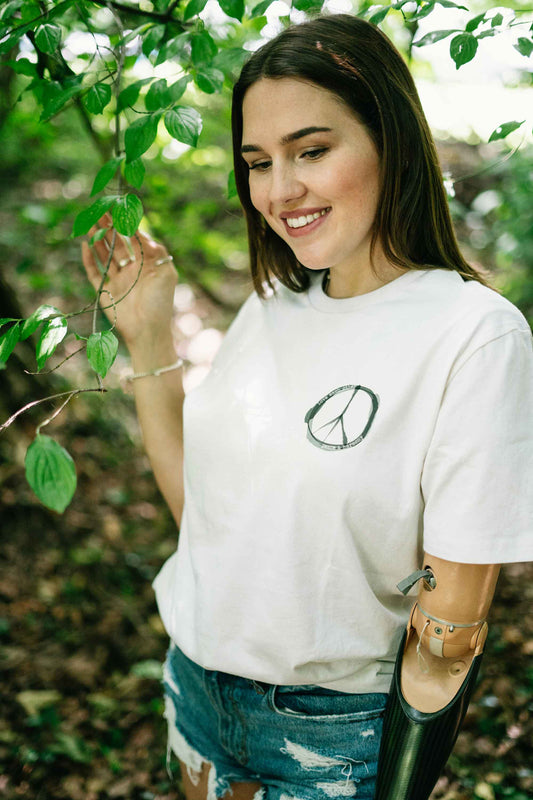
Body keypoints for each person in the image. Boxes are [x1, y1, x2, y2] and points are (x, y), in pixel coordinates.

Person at [82, 14, 533, 800]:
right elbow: (210, 525)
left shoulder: (473, 335)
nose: (279, 189)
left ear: (389, 139)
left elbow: (449, 637)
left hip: (333, 737)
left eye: (312, 151)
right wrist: (148, 335)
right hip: (194, 692)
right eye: (258, 162)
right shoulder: (270, 307)